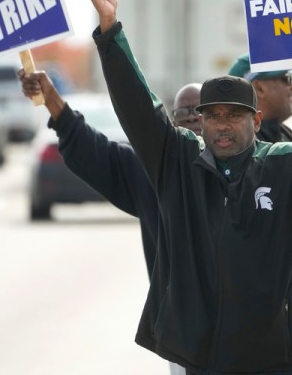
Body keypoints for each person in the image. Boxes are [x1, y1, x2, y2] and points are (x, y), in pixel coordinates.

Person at [88, 0, 292, 374]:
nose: (222, 126)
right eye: (212, 117)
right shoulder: (179, 165)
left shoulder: (289, 165)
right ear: (200, 120)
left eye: (234, 116)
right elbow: (140, 109)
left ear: (256, 119)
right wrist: (110, 32)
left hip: (285, 362)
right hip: (206, 361)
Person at [18, 69, 200, 375]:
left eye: (202, 110)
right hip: (188, 337)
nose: (194, 118)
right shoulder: (151, 175)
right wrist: (52, 101)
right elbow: (91, 148)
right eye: (184, 112)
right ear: (172, 123)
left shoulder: (250, 169)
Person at [228, 53, 292, 352]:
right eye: (285, 79)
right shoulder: (239, 153)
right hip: (269, 334)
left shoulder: (286, 136)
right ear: (258, 88)